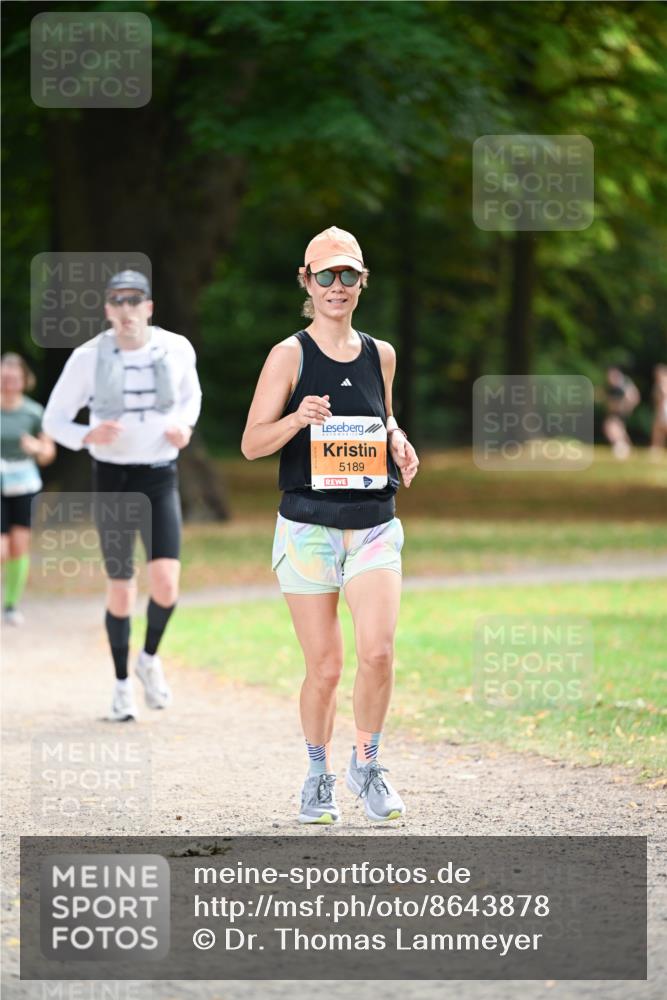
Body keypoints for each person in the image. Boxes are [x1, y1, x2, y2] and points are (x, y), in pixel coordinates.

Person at [242, 227, 419, 824]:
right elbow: (250, 444)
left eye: (348, 276)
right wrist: (296, 419)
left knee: (379, 654)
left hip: (372, 525)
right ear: (307, 280)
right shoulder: (289, 355)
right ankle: (317, 775)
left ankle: (366, 765)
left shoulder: (381, 353)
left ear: (362, 283)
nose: (336, 287)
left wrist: (398, 438)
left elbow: (385, 416)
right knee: (325, 668)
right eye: (326, 276)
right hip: (308, 529)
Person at [43, 270, 202, 721]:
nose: (127, 310)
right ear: (108, 309)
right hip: (112, 480)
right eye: (118, 302)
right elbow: (55, 421)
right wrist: (86, 434)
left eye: (135, 301)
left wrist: (184, 427)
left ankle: (148, 659)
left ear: (149, 307)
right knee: (121, 590)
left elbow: (192, 396)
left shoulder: (176, 348)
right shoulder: (87, 357)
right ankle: (119, 688)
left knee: (167, 584)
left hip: (158, 475)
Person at [1, 353, 56, 624]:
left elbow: (48, 452)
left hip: (24, 483)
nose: (9, 382)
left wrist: (36, 448)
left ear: (24, 380)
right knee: (1, 548)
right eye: (4, 376)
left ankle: (11, 604)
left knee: (18, 547)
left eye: (14, 377)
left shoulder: (34, 412)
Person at [602, 366, 640, 460]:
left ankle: (621, 447)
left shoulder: (624, 385)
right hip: (616, 412)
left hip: (622, 412)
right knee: (619, 430)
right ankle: (626, 448)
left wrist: (625, 407)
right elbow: (609, 402)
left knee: (611, 427)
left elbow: (634, 397)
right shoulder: (612, 387)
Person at [650, 363, 667, 459]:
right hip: (663, 409)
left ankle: (656, 449)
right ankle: (656, 449)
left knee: (658, 430)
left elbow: (662, 397)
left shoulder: (662, 383)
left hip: (664, 409)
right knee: (658, 430)